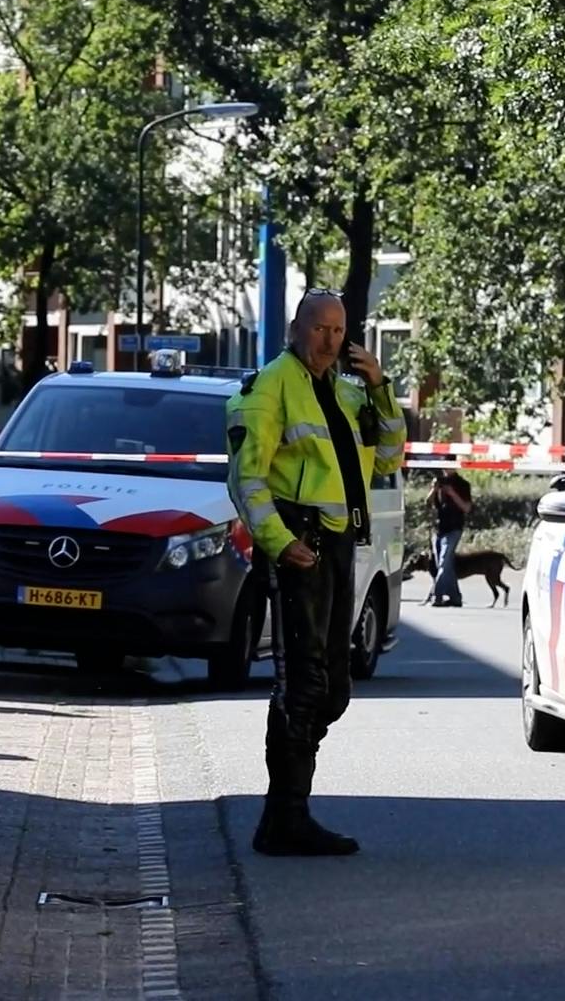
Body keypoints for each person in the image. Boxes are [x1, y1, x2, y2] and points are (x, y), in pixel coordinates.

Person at [225, 290, 407, 856]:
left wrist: (380, 385)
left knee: (333, 685)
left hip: (336, 544)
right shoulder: (268, 388)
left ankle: (288, 810)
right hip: (298, 543)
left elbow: (390, 456)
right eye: (319, 328)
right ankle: (285, 815)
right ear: (296, 329)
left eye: (338, 330)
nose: (329, 340)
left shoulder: (347, 392)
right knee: (303, 684)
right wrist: (279, 542)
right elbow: (246, 480)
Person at [426, 473, 472, 607]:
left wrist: (452, 493)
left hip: (454, 528)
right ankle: (455, 597)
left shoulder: (462, 484)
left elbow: (467, 508)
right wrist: (433, 490)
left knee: (443, 562)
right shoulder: (438, 481)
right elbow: (428, 503)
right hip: (438, 528)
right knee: (446, 565)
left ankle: (437, 595)